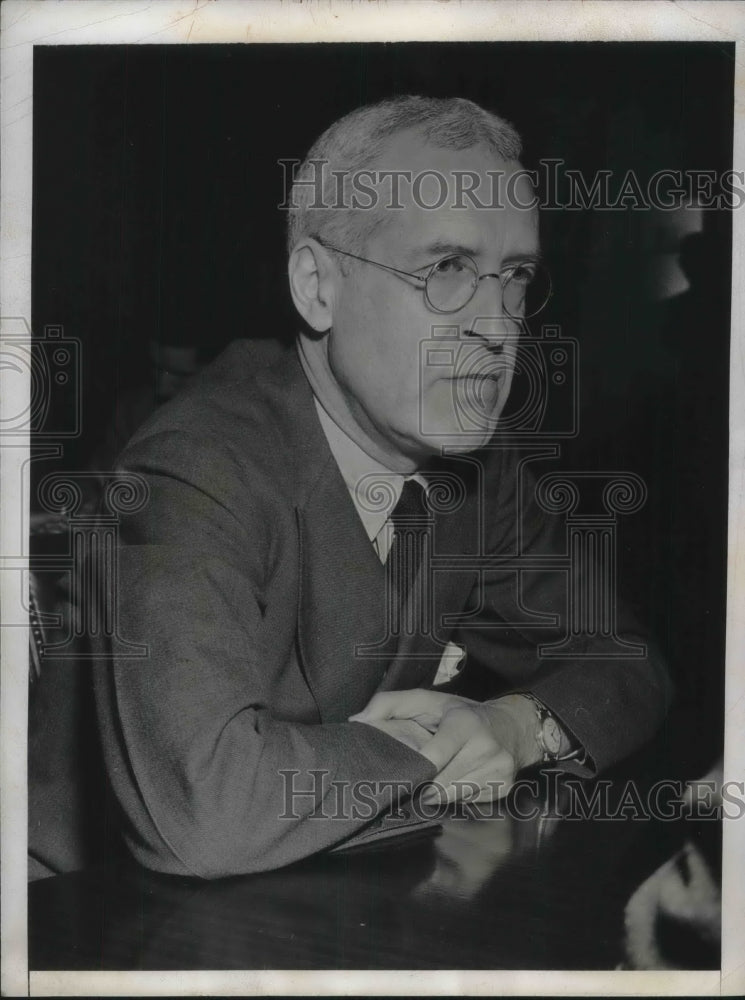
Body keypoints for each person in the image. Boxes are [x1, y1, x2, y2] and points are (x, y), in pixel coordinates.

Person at [93, 96, 672, 878]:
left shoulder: (476, 465)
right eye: (444, 270)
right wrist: (440, 754)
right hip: (90, 912)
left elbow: (627, 663)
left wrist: (515, 728)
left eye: (514, 277)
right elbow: (211, 814)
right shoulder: (195, 467)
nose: (497, 327)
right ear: (317, 286)